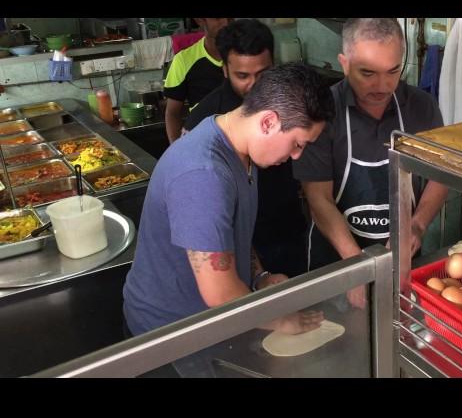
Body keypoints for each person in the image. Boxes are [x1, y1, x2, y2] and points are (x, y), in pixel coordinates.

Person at [123, 63, 335, 349]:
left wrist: (260, 277)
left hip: (210, 323)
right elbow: (220, 294)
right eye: (297, 143)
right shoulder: (203, 173)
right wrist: (282, 320)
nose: (297, 155)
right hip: (171, 334)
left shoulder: (240, 147)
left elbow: (230, 233)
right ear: (268, 122)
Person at [293, 18, 449, 309]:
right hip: (337, 264)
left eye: (393, 71)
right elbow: (319, 200)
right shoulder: (323, 112)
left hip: (402, 261)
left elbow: (439, 177)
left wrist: (416, 226)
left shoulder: (422, 107)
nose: (382, 85)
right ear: (344, 63)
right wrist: (357, 266)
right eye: (368, 73)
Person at [183, 18, 308, 278]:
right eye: (242, 75)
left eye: (262, 74)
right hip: (234, 243)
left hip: (288, 229)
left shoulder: (287, 105)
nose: (253, 85)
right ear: (225, 69)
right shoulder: (204, 120)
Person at [163, 18, 229, 143]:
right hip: (204, 144)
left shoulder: (246, 57)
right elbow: (172, 113)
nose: (226, 22)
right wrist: (177, 151)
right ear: (200, 20)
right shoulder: (183, 60)